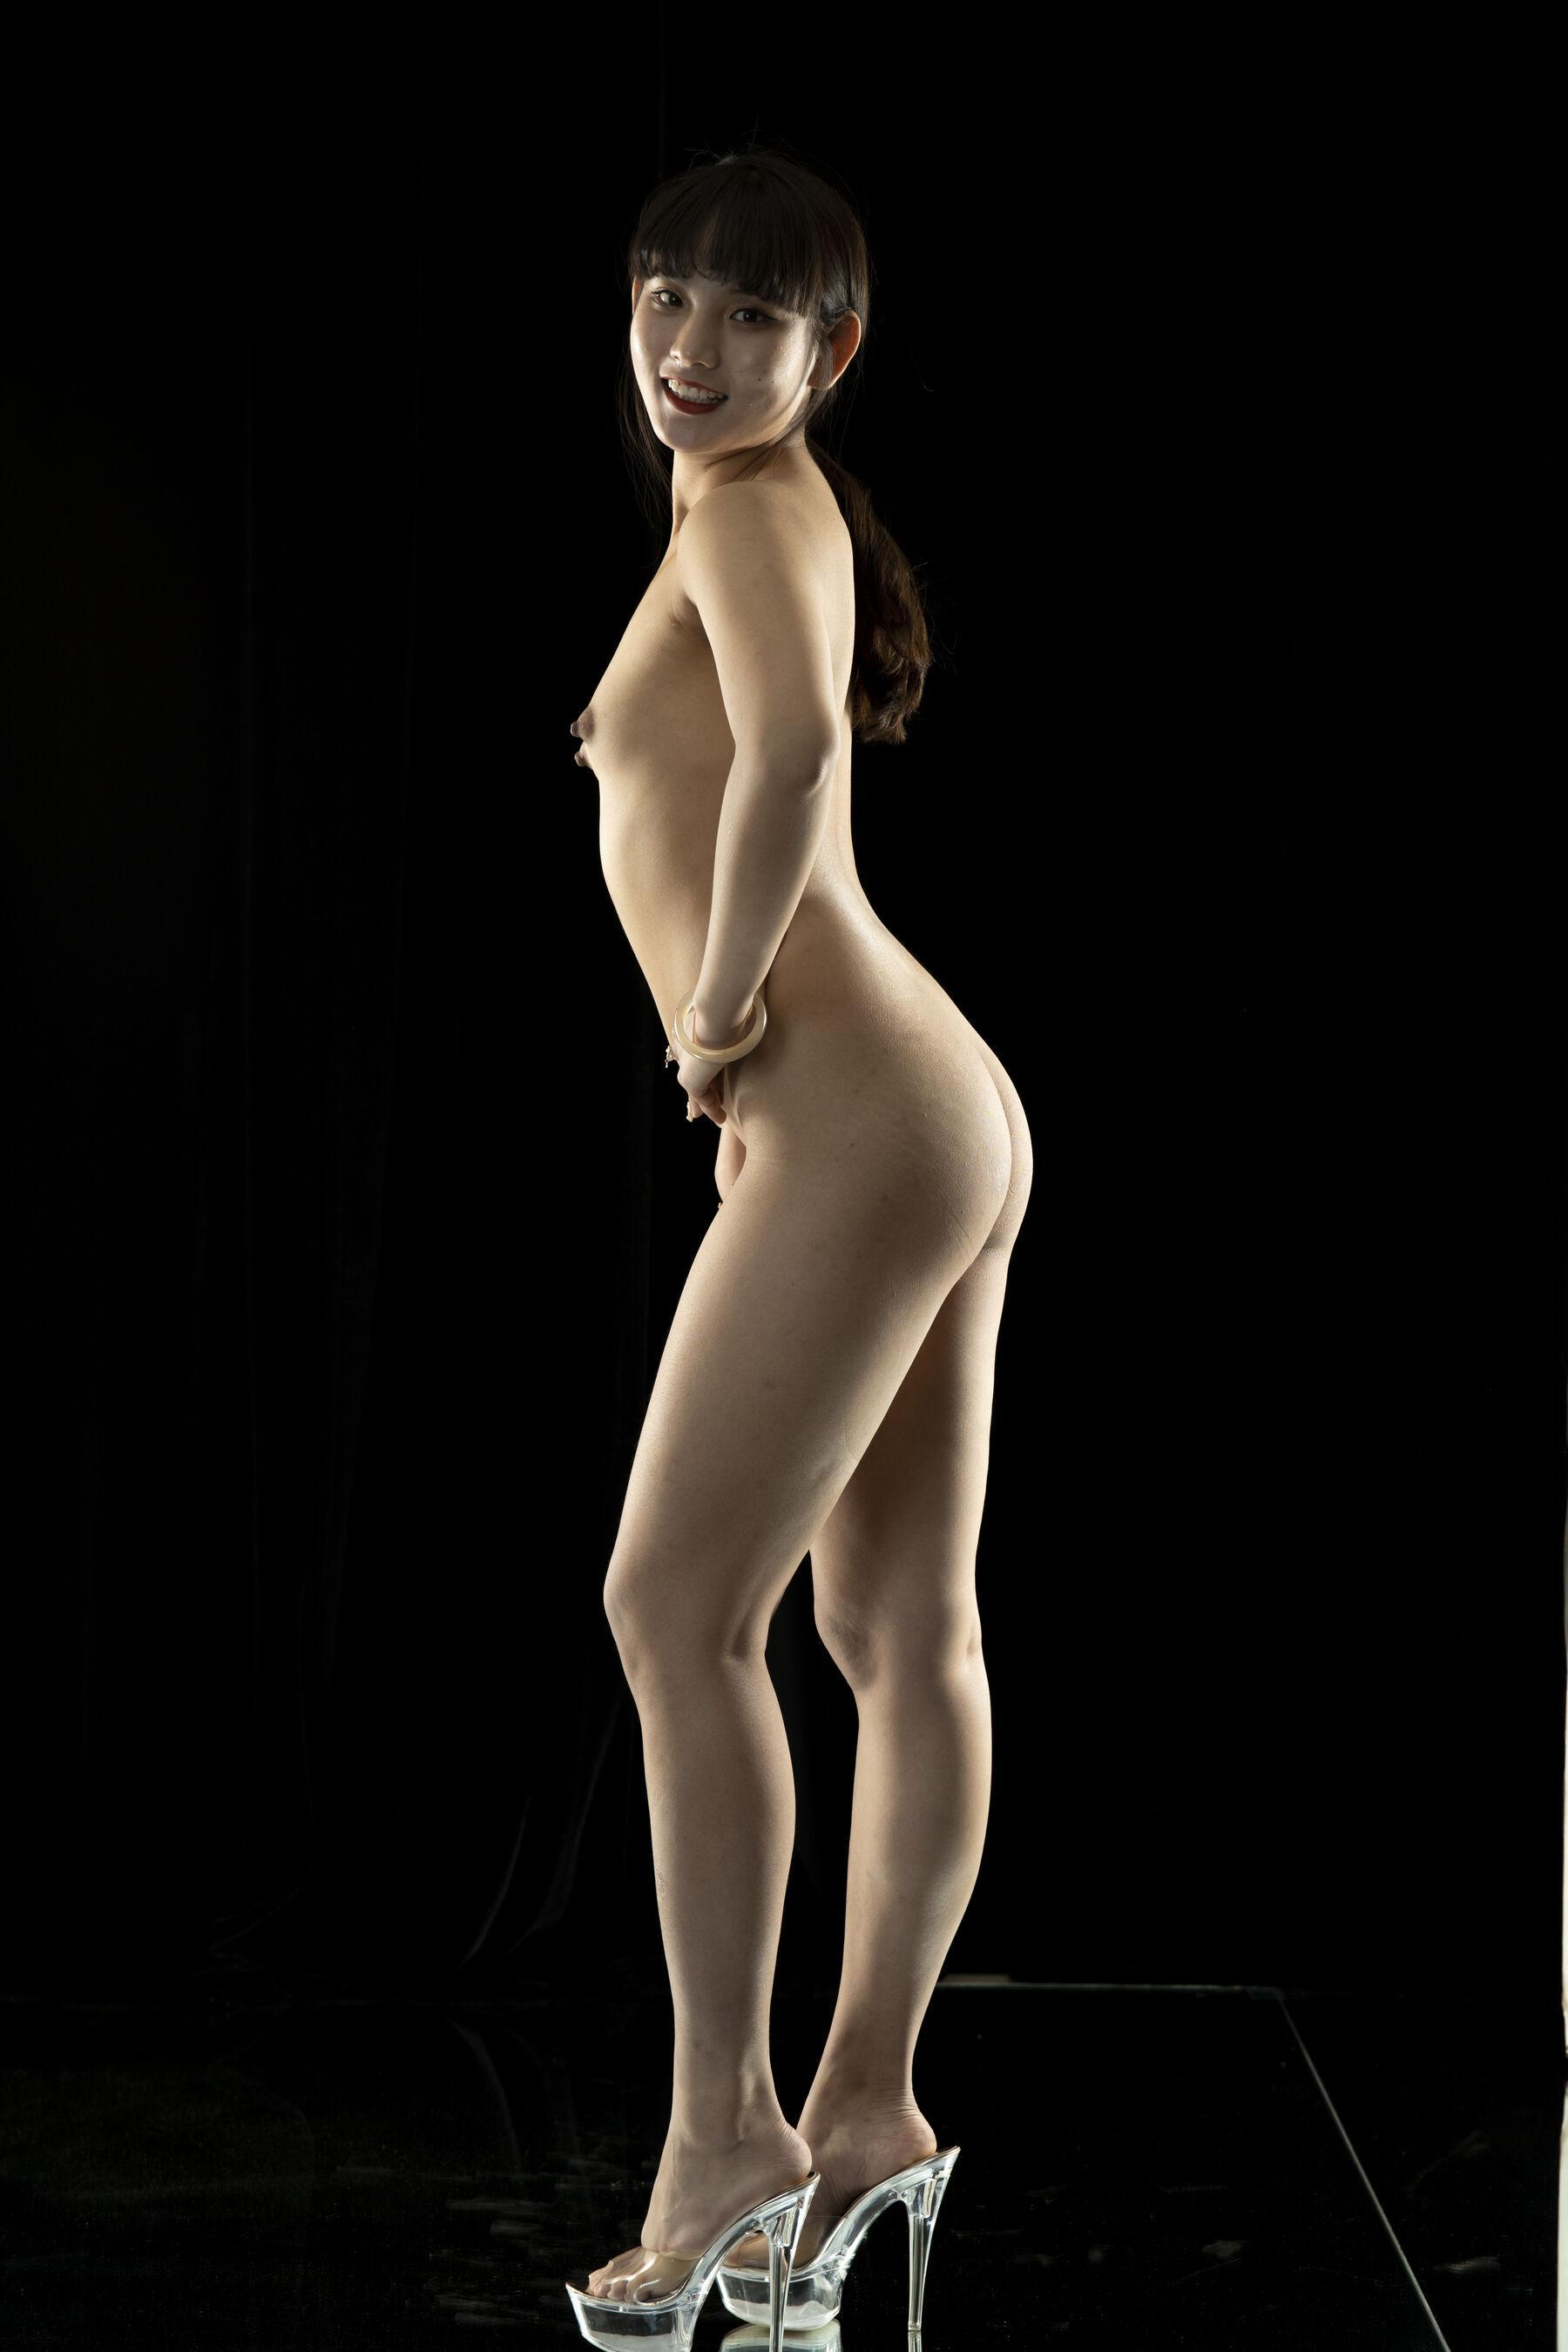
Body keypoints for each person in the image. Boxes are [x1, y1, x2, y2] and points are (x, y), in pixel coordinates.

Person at [566, 144, 1032, 2321]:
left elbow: (782, 763)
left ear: (827, 351)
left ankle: (727, 2143)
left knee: (678, 1608)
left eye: (749, 315)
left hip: (850, 1107)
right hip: (930, 1113)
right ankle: (868, 2119)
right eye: (667, 293)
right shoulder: (760, 509)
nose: (691, 343)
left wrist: (718, 1015)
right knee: (898, 1629)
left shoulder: (756, 513)